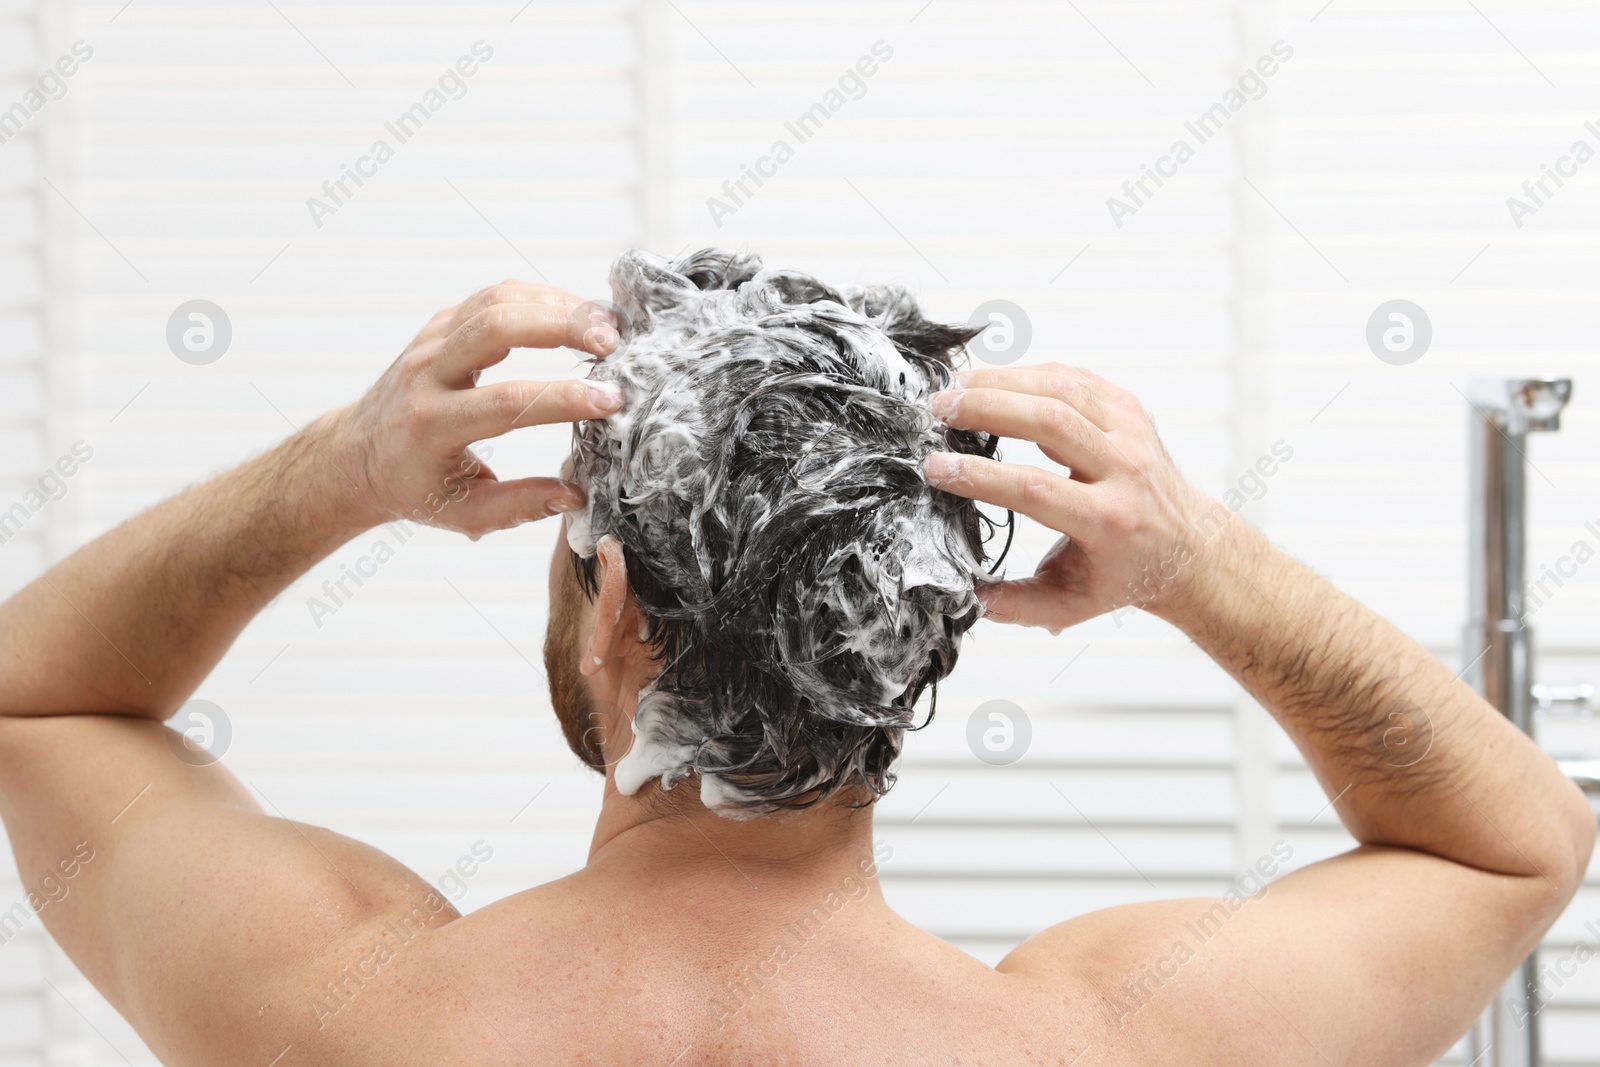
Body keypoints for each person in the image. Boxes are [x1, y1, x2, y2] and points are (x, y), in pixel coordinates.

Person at [0, 251, 1591, 1067]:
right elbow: (1516, 843)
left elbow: (39, 694)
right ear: (910, 635)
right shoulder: (1102, 1043)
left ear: (615, 613)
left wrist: (339, 471)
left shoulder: (345, 1011)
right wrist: (1199, 564)